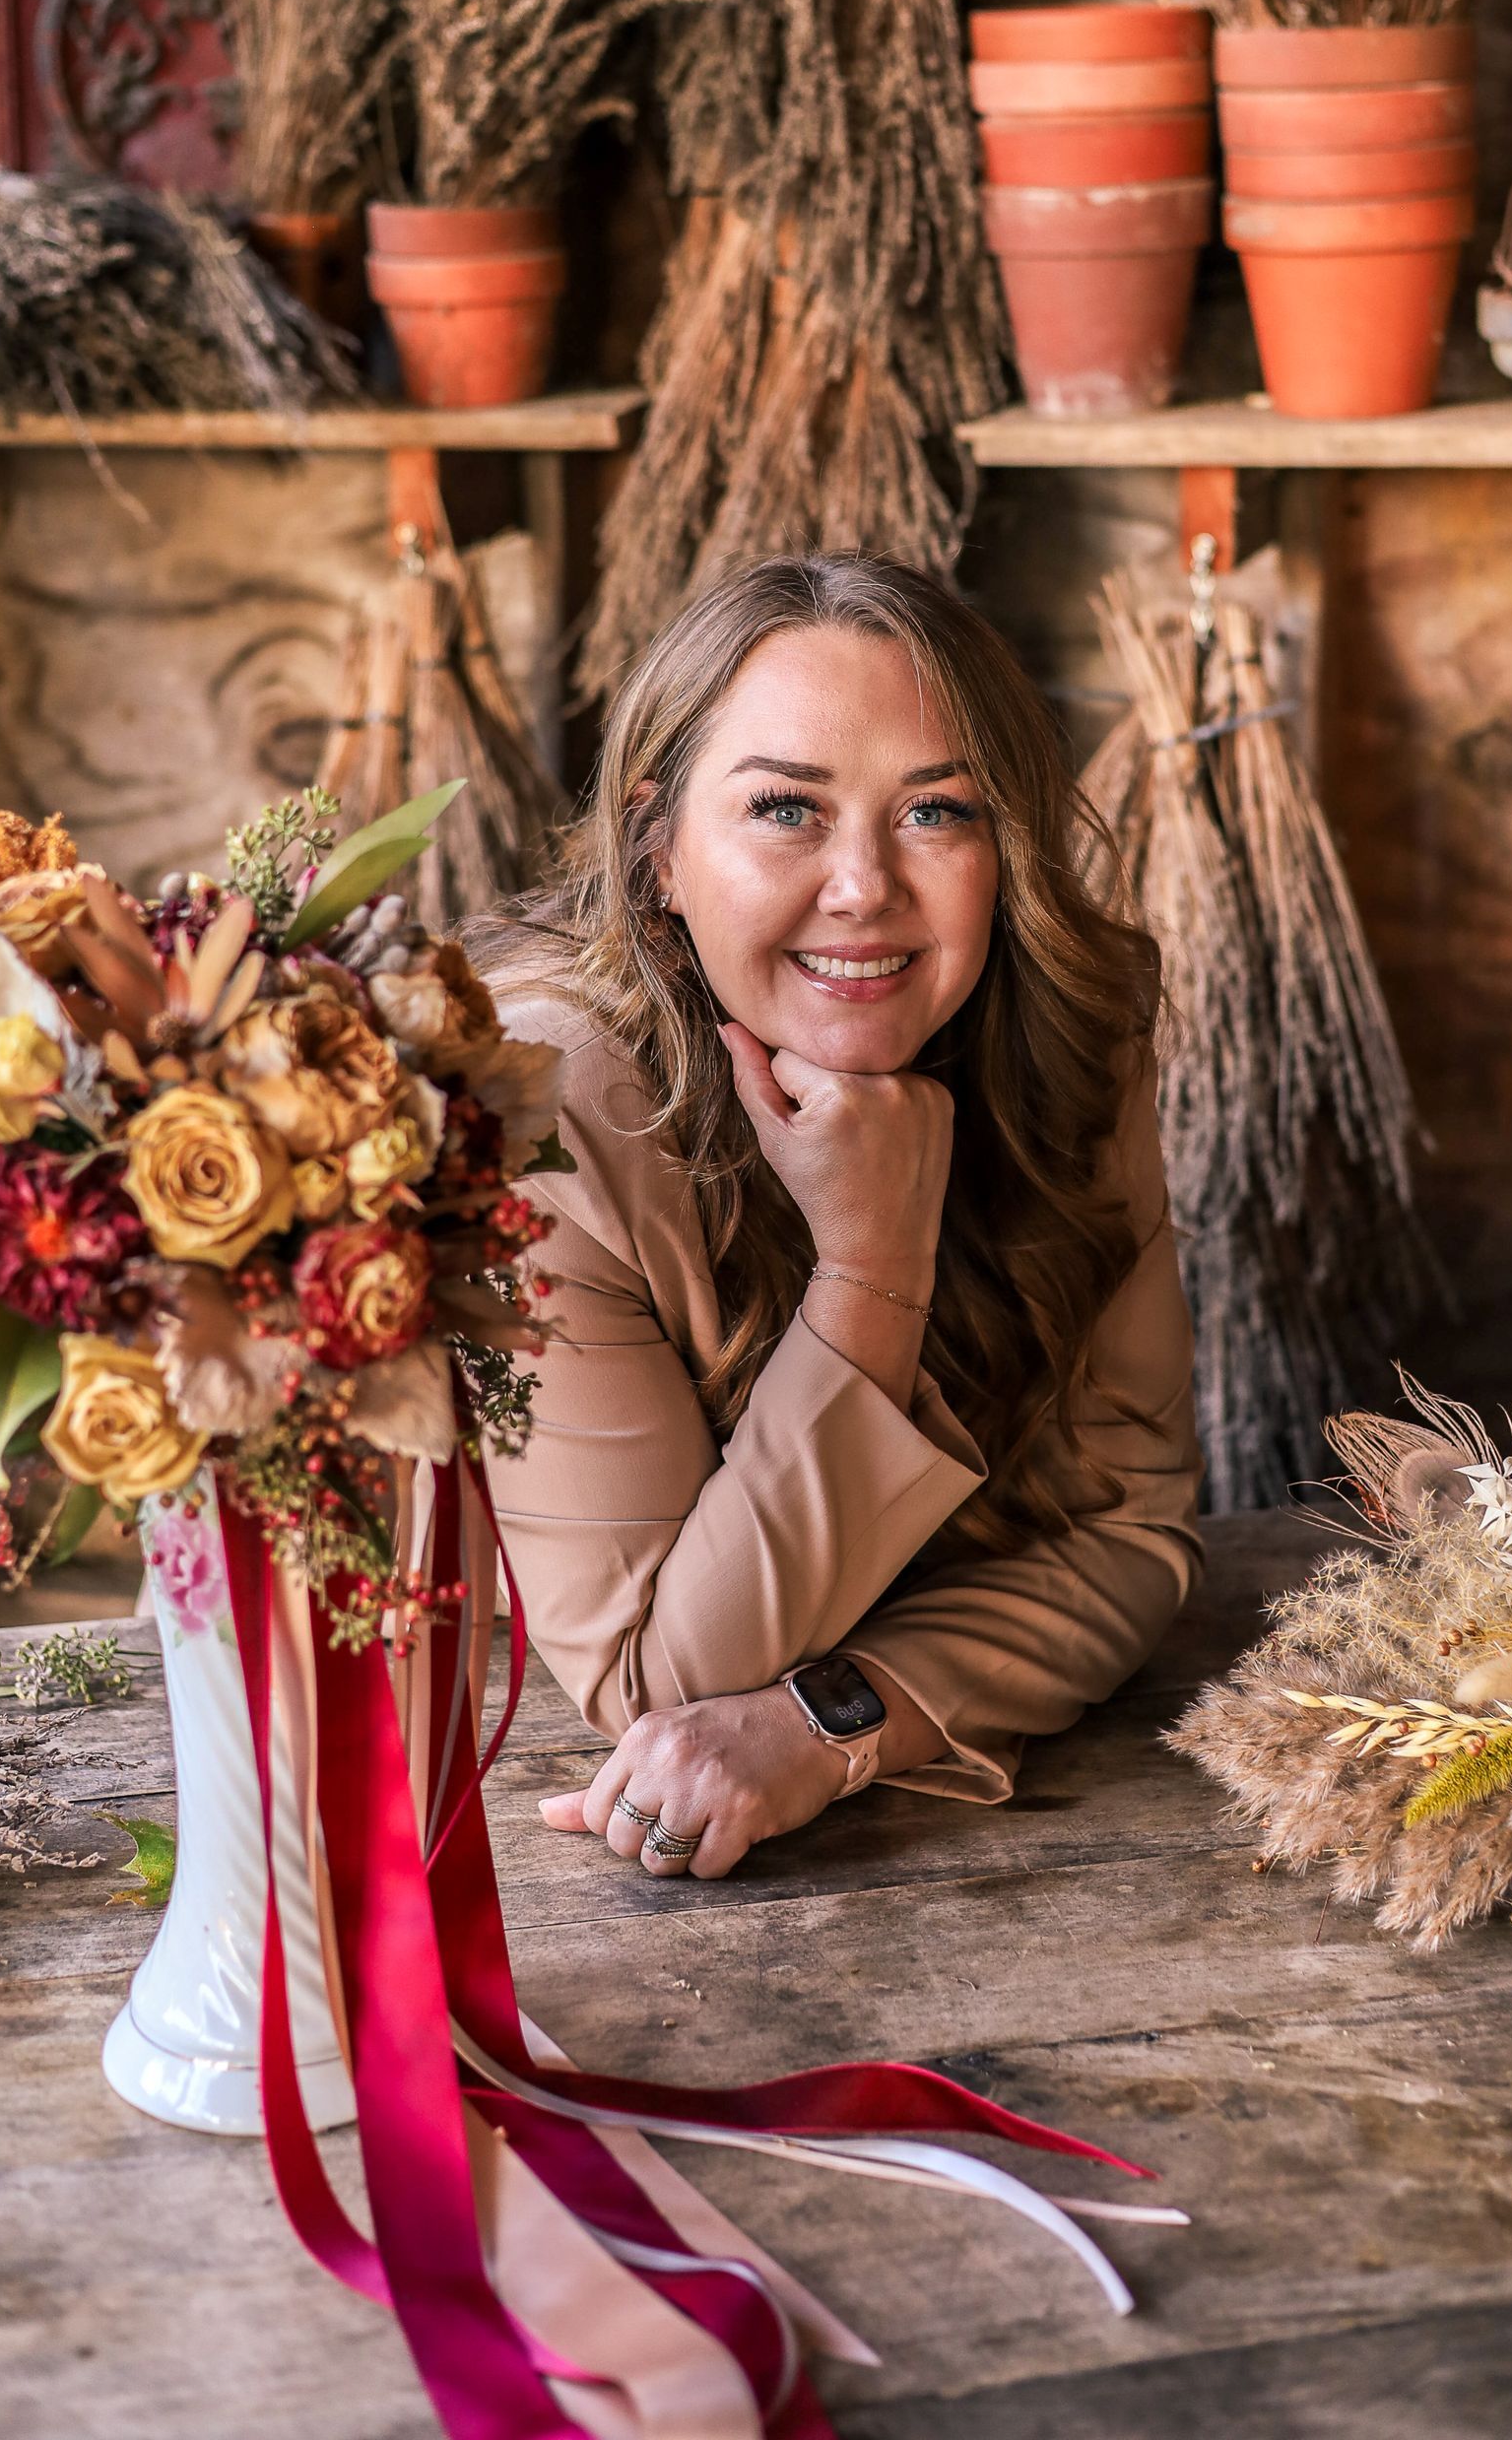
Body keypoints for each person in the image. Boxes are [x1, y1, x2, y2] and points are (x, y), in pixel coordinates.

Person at [475, 554, 1202, 1879]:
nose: (865, 885)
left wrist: (835, 1720)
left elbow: (1132, 1531)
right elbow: (656, 1688)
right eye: (785, 811)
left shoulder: (1070, 1048)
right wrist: (872, 1267)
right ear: (659, 854)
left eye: (936, 813)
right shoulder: (538, 1108)